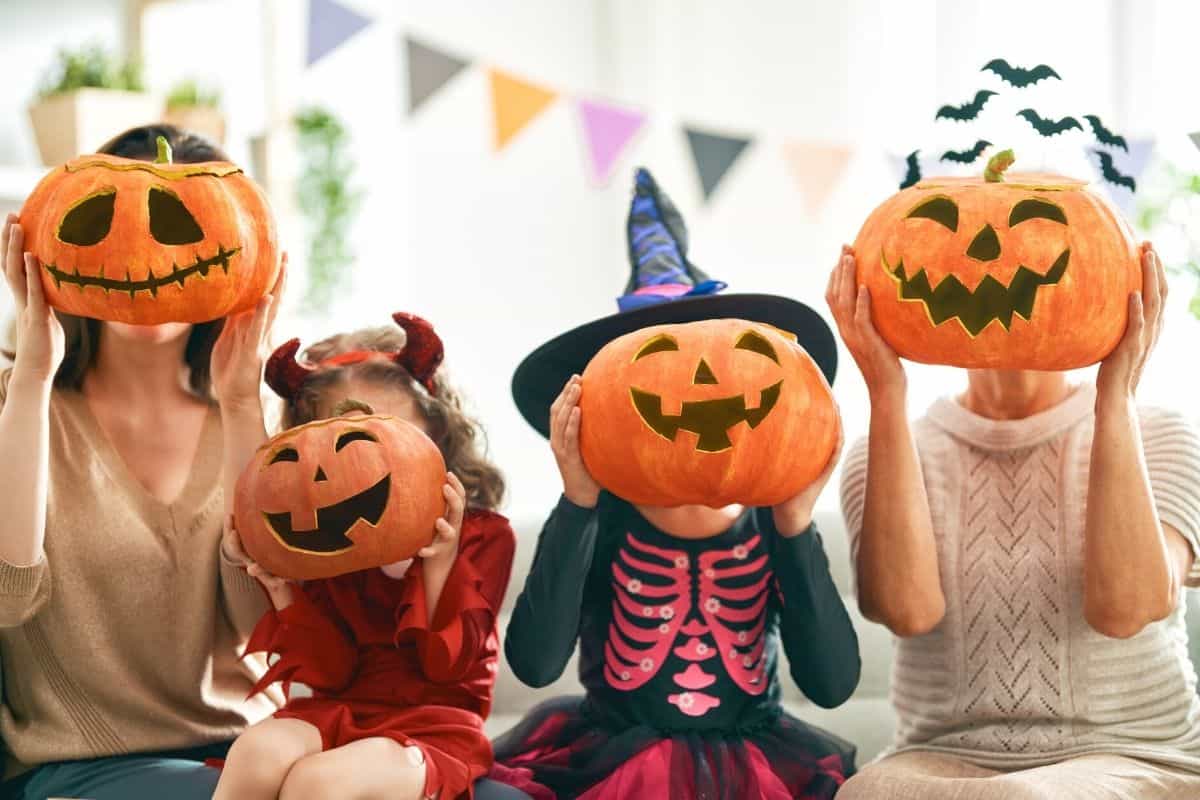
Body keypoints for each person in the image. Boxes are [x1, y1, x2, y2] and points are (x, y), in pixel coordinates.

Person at [490, 168, 859, 800]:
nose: (698, 392)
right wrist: (578, 500)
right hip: (610, 753)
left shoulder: (774, 522)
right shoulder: (602, 520)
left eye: (727, 365)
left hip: (757, 756)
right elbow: (536, 662)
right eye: (660, 369)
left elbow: (830, 683)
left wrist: (795, 525)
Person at [829, 243, 1200, 798]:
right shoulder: (880, 451)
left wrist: (1115, 396)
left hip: (1136, 753)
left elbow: (1126, 607)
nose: (988, 259)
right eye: (967, 252)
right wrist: (885, 392)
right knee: (865, 793)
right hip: (938, 757)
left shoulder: (1160, 434)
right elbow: (907, 610)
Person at [0, 124, 285, 800]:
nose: (144, 252)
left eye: (181, 228)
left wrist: (243, 405)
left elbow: (266, 630)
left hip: (252, 755)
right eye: (108, 221)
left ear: (238, 250)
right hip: (79, 767)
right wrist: (34, 374)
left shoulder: (250, 417)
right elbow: (7, 597)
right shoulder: (17, 399)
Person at [213, 313, 520, 800]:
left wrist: (438, 562)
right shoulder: (326, 547)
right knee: (256, 752)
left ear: (433, 434)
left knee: (321, 782)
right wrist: (280, 584)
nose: (370, 460)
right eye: (345, 443)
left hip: (434, 725)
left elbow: (449, 672)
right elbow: (330, 673)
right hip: (340, 708)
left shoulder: (483, 536)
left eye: (386, 433)